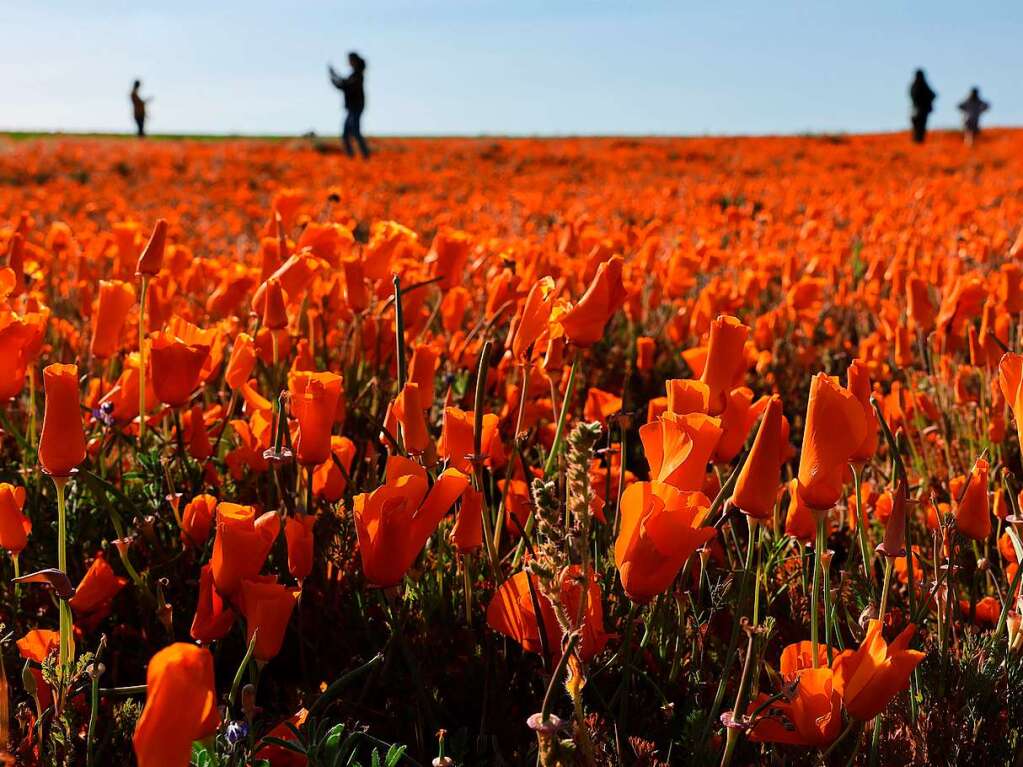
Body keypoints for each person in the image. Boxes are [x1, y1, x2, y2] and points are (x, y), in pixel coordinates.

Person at [329, 53, 370, 158]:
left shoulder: (357, 75)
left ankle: (364, 156)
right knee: (347, 133)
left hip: (356, 107)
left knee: (354, 132)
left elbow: (345, 86)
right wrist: (334, 76)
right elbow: (344, 83)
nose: (348, 62)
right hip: (353, 107)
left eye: (350, 60)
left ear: (354, 61)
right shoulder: (355, 75)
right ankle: (354, 156)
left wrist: (334, 77)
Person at [909, 69, 936, 144]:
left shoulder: (913, 86)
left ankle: (916, 142)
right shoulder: (923, 85)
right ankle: (918, 142)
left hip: (914, 110)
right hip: (921, 111)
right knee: (920, 128)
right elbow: (933, 95)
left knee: (916, 128)